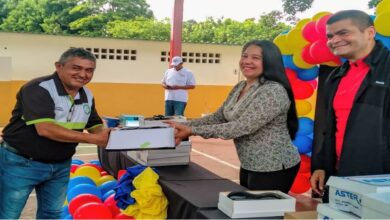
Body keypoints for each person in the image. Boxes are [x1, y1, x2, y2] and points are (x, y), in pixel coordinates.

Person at [166, 40, 301, 193]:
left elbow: (241, 126)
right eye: (245, 56)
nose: (247, 61)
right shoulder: (241, 86)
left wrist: (191, 130)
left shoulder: (272, 91)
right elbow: (218, 116)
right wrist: (187, 125)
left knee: (261, 214)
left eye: (256, 58)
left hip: (273, 165)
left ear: (269, 62)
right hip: (250, 163)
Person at [0, 48, 111, 219]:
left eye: (89, 70)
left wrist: (110, 134)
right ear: (59, 66)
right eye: (76, 68)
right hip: (21, 163)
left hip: (60, 165)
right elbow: (45, 128)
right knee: (8, 214)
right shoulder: (38, 88)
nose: (83, 74)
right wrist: (94, 138)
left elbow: (93, 122)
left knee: (51, 214)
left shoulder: (86, 94)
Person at [310, 10, 390, 199]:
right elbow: (329, 128)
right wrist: (321, 165)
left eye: (343, 33)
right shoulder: (336, 76)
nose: (334, 40)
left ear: (370, 33)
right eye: (330, 36)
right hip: (338, 176)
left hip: (379, 182)